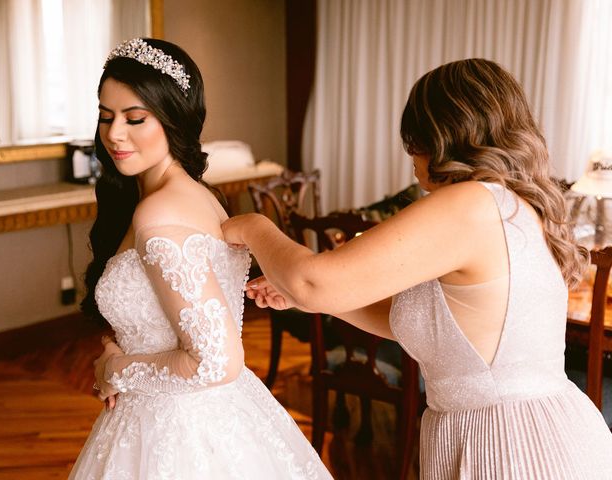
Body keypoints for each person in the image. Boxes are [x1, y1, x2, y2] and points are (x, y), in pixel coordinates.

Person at [222, 58, 612, 478]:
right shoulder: (506, 203)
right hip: (501, 429)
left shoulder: (470, 204)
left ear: (442, 133)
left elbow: (313, 278)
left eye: (415, 135)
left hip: (509, 443)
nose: (409, 149)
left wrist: (254, 225)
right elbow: (431, 326)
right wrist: (316, 300)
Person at [70, 38, 332, 479]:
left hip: (176, 430)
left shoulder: (159, 212)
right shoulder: (199, 196)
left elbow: (213, 361)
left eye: (135, 118)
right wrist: (118, 348)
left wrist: (116, 368)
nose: (115, 133)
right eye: (105, 115)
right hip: (214, 415)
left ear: (173, 119)